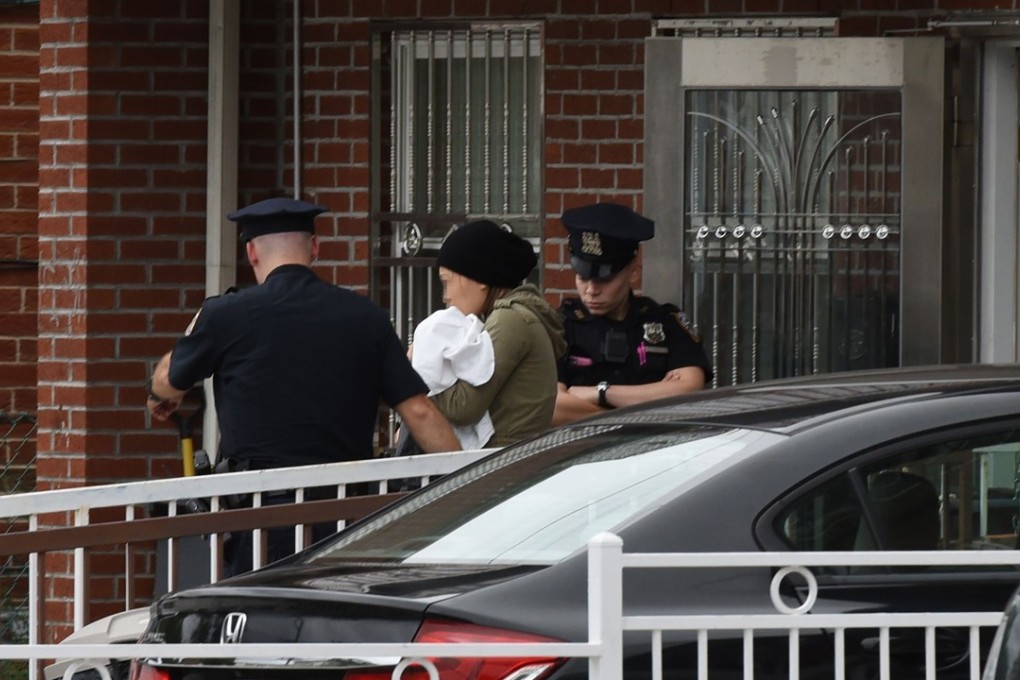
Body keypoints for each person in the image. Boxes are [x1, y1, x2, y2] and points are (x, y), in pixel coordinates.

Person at [145, 196, 461, 574]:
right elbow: (419, 411)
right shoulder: (365, 317)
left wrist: (163, 387)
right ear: (315, 248)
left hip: (259, 521)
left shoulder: (225, 314)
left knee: (259, 607)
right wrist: (469, 486)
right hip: (346, 517)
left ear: (251, 252)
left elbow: (168, 383)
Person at [553, 202, 713, 425]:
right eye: (583, 277)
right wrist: (638, 418)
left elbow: (688, 389)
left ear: (633, 274)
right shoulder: (560, 326)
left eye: (604, 280)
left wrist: (601, 393)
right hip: (586, 446)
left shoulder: (663, 321)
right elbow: (553, 407)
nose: (591, 290)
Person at [415, 219, 567, 448]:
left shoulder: (510, 320)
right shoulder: (510, 316)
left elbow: (463, 407)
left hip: (505, 458)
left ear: (479, 280)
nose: (446, 297)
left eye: (447, 283)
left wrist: (420, 367)